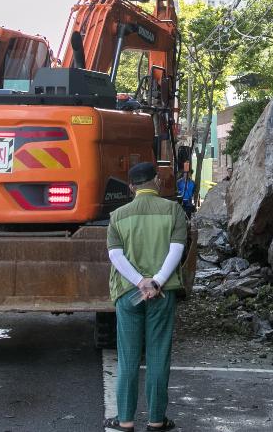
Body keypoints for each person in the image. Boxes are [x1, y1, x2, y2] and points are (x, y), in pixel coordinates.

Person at [105, 162, 188, 431]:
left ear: (131, 187)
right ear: (157, 182)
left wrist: (140, 282)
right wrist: (157, 282)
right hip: (162, 294)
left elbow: (115, 256)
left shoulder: (117, 215)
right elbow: (176, 250)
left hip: (129, 293)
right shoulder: (173, 210)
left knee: (128, 357)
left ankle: (126, 420)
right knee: (158, 356)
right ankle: (155, 420)